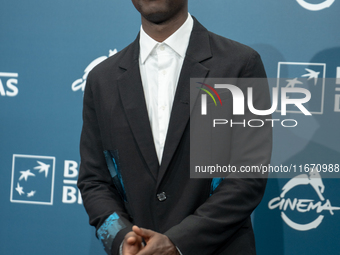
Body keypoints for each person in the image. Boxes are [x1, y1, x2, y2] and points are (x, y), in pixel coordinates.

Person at [77, 0, 272, 255]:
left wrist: (178, 242)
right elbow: (94, 181)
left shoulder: (239, 65)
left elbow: (248, 176)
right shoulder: (101, 79)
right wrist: (122, 240)